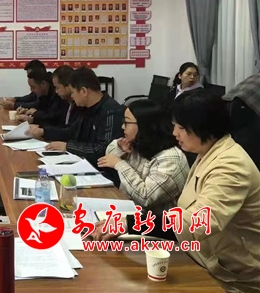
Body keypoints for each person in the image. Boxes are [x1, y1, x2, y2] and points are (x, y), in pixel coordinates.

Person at [94, 90, 260, 293]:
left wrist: (130, 223)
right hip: (199, 257)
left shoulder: (231, 166)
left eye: (180, 127)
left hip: (230, 279)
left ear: (202, 126)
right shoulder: (208, 152)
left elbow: (198, 222)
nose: (174, 133)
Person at [97, 99, 189, 211]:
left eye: (127, 122)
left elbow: (145, 197)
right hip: (127, 208)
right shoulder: (139, 142)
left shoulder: (171, 159)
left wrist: (120, 164)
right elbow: (108, 156)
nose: (122, 127)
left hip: (153, 220)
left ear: (144, 125)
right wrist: (120, 148)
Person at [30, 67, 124, 168]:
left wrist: (68, 147)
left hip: (101, 170)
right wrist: (44, 132)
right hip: (83, 163)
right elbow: (72, 131)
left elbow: (102, 149)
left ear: (83, 91)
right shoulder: (86, 107)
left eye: (73, 92)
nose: (72, 96)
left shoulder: (110, 110)